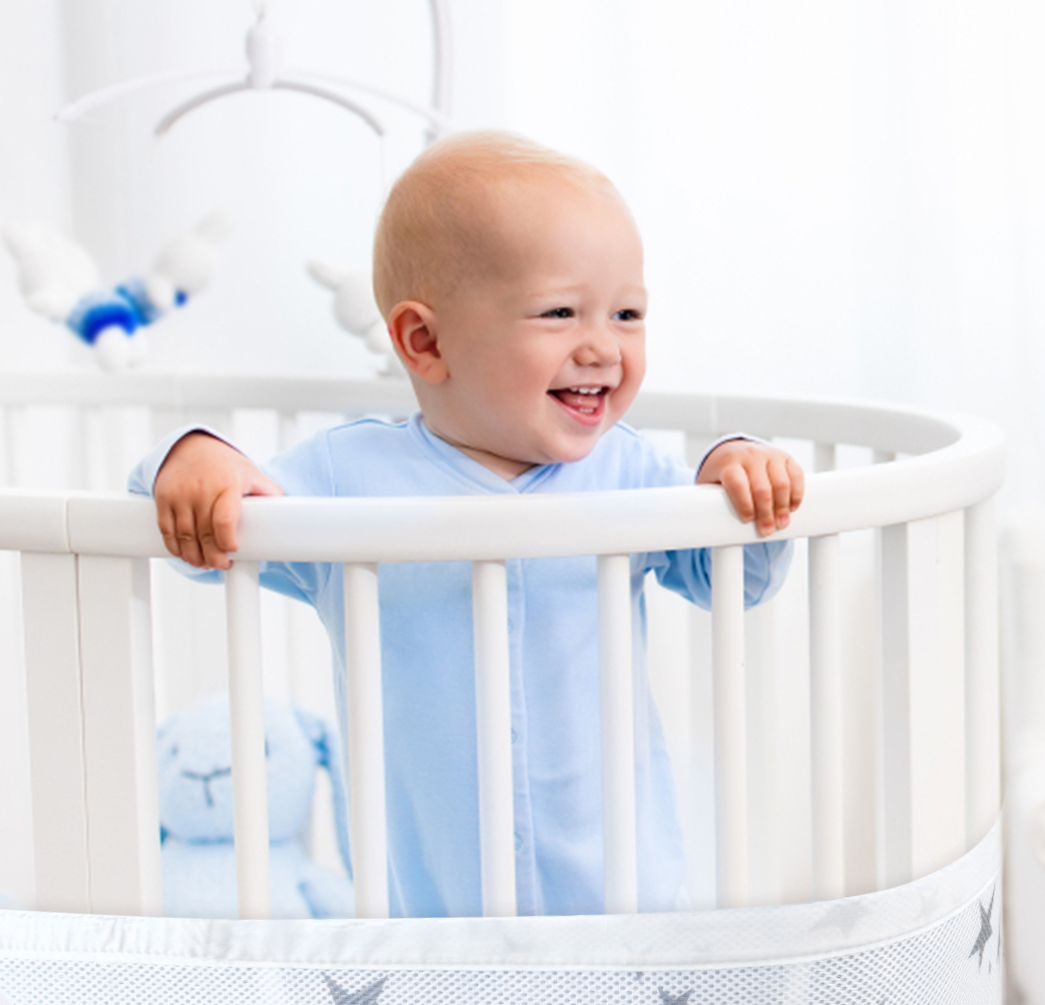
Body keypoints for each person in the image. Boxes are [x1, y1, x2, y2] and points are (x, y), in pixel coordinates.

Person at [130, 131, 803, 917]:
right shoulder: (350, 479)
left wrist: (737, 471)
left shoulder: (629, 469)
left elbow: (737, 580)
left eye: (627, 313)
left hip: (625, 910)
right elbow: (209, 537)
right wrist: (192, 456)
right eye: (560, 312)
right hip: (429, 920)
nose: (602, 347)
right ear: (426, 341)